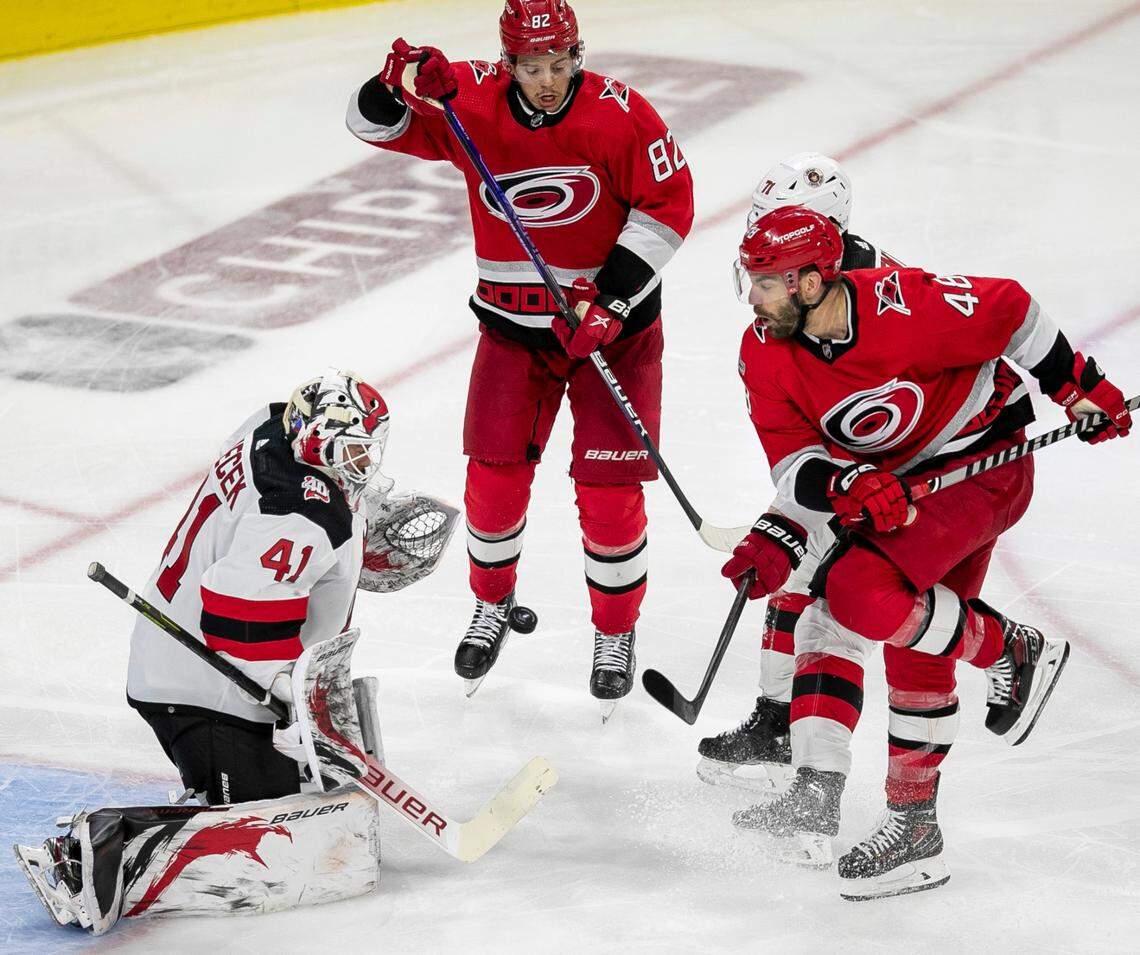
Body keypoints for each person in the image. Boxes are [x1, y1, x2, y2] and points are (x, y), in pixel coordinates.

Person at [721, 206, 1130, 898]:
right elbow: (795, 465)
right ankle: (916, 829)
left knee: (853, 591)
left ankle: (1008, 647)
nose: (751, 298)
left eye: (765, 282)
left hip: (985, 464)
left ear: (814, 283)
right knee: (913, 639)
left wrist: (1079, 385)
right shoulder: (762, 352)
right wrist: (841, 486)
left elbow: (1011, 309)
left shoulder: (902, 302)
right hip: (909, 481)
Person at [345, 0, 694, 712]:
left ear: (578, 54)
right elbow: (371, 125)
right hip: (514, 329)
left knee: (609, 497)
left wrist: (613, 300)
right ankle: (492, 605)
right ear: (508, 64)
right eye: (531, 67)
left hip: (614, 335)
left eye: (559, 64)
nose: (546, 80)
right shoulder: (467, 100)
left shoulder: (622, 115)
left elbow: (669, 205)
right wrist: (392, 86)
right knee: (493, 485)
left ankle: (615, 632)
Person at [14, 369, 397, 933]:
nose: (366, 467)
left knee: (309, 799)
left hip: (180, 655)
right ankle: (90, 853)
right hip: (208, 691)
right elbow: (238, 615)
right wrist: (286, 690)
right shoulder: (299, 513)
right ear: (322, 440)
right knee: (281, 831)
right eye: (358, 454)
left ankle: (213, 778)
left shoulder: (270, 429)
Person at [697, 153, 902, 791]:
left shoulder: (879, 301)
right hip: (834, 473)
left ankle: (800, 754)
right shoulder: (805, 290)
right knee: (793, 583)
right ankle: (776, 723)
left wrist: (809, 504)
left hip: (882, 483)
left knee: (824, 610)